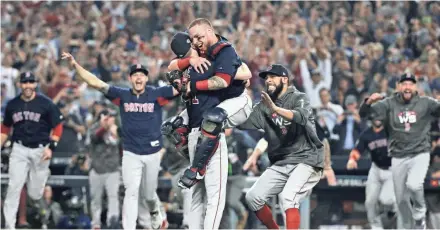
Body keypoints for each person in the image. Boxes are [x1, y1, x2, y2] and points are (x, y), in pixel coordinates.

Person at [62, 52, 180, 230]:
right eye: (135, 75)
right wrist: (75, 65)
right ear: (130, 79)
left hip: (152, 153)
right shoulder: (122, 95)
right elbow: (95, 82)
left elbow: (180, 88)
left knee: (148, 195)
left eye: (142, 75)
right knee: (131, 193)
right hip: (131, 152)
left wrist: (190, 66)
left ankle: (158, 215)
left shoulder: (157, 94)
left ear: (146, 79)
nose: (139, 78)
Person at [238, 64, 324, 230]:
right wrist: (236, 98)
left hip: (306, 159)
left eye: (272, 76)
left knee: (288, 197)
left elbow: (301, 117)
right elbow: (242, 123)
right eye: (266, 78)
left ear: (284, 79)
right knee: (252, 197)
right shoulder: (264, 105)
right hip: (281, 162)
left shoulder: (298, 97)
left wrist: (276, 109)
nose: (268, 80)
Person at [166, 27, 253, 189]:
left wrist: (223, 73)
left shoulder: (214, 51)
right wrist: (189, 62)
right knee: (172, 128)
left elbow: (246, 72)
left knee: (212, 120)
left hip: (228, 100)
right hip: (206, 102)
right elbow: (171, 67)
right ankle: (193, 156)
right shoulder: (190, 62)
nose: (191, 54)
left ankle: (198, 166)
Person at [359, 73, 440, 229]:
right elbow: (364, 114)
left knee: (415, 185)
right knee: (401, 199)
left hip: (420, 153)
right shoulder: (389, 104)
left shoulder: (426, 103)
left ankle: (419, 215)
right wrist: (368, 102)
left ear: (415, 87)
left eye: (411, 84)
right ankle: (411, 225)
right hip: (397, 156)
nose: (407, 87)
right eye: (404, 84)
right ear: (399, 86)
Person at [1, 71, 64, 229]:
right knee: (14, 187)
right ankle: (9, 225)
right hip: (19, 148)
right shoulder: (12, 104)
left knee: (35, 193)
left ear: (35, 84)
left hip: (40, 150)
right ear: (19, 84)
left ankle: (39, 180)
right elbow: (5, 128)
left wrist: (51, 147)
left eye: (31, 82)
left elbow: (58, 126)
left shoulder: (46, 103)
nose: (28, 85)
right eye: (25, 82)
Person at [346, 114, 395, 229]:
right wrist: (352, 160)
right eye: (375, 116)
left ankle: (395, 209)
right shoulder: (366, 134)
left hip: (392, 170)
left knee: (386, 200)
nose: (378, 118)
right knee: (370, 202)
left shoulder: (392, 131)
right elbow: (357, 150)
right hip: (376, 169)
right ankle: (376, 227)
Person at [88, 109, 121, 229]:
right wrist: (104, 127)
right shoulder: (94, 128)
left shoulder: (117, 129)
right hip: (97, 169)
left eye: (112, 117)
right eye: (107, 117)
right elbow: (94, 138)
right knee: (96, 199)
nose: (110, 119)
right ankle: (96, 223)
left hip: (113, 169)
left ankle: (112, 221)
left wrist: (114, 130)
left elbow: (124, 143)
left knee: (113, 197)